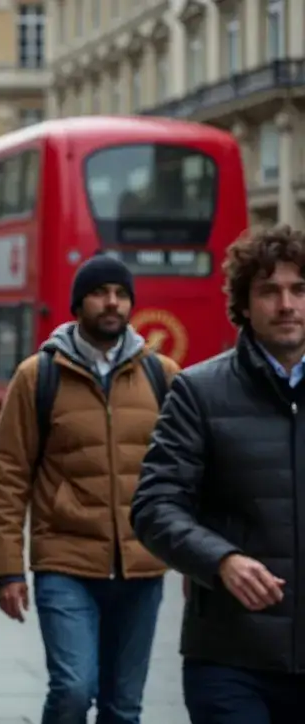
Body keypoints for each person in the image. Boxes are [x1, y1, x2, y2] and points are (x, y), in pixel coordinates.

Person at [0, 254, 179, 724]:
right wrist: (8, 570)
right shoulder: (38, 376)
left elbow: (186, 474)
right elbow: (8, 474)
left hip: (141, 567)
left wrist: (197, 561)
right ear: (78, 305)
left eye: (121, 293)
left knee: (124, 707)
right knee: (74, 689)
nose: (112, 302)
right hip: (65, 561)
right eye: (100, 293)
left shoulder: (164, 375)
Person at [132, 226, 305, 722]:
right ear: (245, 305)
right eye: (269, 291)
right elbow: (154, 505)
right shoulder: (199, 392)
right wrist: (222, 560)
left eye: (299, 289)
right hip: (230, 657)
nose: (286, 304)